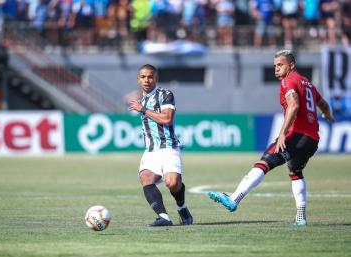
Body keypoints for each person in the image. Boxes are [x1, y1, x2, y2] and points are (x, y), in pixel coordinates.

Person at [207, 50, 334, 227]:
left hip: (296, 134)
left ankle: (234, 199)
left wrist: (283, 132)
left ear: (292, 65)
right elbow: (323, 104)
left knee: (264, 162)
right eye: (275, 66)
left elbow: (294, 105)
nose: (276, 69)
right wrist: (327, 114)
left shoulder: (288, 81)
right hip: (312, 139)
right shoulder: (308, 84)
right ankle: (300, 217)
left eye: (280, 65)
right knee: (295, 172)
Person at [128, 64, 193, 227]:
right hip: (150, 151)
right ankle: (164, 217)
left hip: (169, 147)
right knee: (146, 178)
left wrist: (143, 109)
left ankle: (182, 207)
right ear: (138, 79)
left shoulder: (165, 95)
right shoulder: (140, 100)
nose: (146, 80)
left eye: (150, 77)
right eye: (143, 77)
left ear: (156, 79)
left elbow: (167, 119)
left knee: (172, 183)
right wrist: (141, 107)